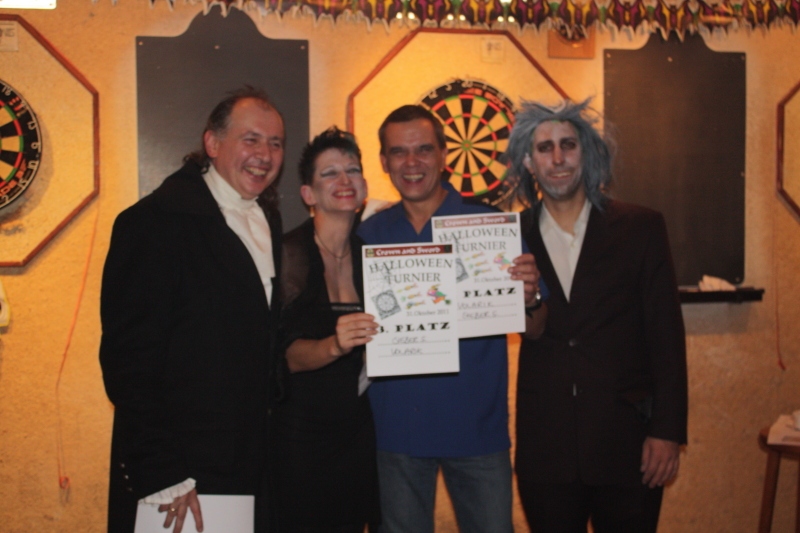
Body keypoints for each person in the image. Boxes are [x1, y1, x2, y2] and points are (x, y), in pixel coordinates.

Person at [100, 87, 285, 533]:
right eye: (251, 139)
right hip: (182, 473)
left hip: (249, 462)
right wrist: (163, 473)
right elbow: (129, 361)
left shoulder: (270, 218)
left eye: (276, 143)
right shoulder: (152, 222)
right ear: (212, 143)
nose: (264, 155)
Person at [356, 105, 547, 533]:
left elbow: (536, 328)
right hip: (395, 431)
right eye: (398, 152)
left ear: (444, 155)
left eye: (424, 149)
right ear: (384, 161)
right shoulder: (368, 234)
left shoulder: (491, 227)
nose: (412, 162)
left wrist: (530, 296)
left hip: (476, 430)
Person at [505, 98, 688, 533]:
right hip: (546, 451)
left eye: (568, 145)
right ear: (529, 162)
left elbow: (666, 337)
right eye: (544, 148)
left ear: (585, 153)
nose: (558, 158)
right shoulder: (510, 237)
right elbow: (526, 327)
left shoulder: (641, 228)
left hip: (628, 445)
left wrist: (667, 431)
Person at [272, 127, 380, 532]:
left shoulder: (374, 257)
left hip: (358, 429)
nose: (344, 180)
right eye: (329, 173)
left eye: (352, 170)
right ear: (308, 194)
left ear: (364, 186)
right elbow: (283, 356)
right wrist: (335, 345)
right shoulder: (289, 254)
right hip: (301, 435)